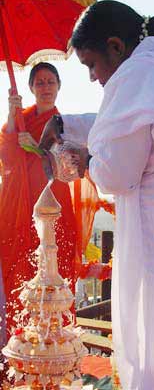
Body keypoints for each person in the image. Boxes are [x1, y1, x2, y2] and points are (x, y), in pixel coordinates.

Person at [39, 1, 154, 390]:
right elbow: (127, 128)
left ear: (116, 46)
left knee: (153, 349)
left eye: (91, 65)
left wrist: (87, 161)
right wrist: (66, 125)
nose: (93, 78)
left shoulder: (139, 72)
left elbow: (118, 174)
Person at [0, 62, 98, 338]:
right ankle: (20, 343)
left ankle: (58, 344)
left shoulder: (64, 123)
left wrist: (42, 149)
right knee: (21, 268)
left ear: (58, 87)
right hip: (21, 206)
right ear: (31, 88)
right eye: (39, 82)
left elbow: (71, 165)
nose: (45, 87)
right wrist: (11, 113)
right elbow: (7, 158)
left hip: (55, 203)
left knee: (57, 267)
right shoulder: (19, 120)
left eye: (50, 82)